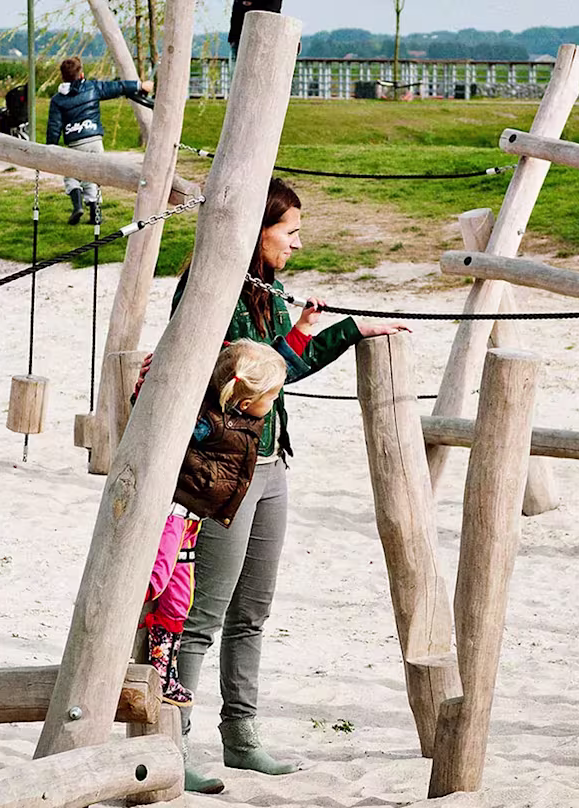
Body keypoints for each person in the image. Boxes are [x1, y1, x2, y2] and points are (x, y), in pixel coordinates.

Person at [171, 177, 408, 792]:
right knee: (204, 612)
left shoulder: (265, 288)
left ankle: (241, 737)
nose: (298, 245)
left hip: (272, 463)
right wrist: (298, 336)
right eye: (291, 232)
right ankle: (170, 741)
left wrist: (347, 330)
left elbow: (285, 369)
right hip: (227, 468)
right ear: (258, 232)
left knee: (253, 609)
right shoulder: (214, 289)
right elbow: (246, 377)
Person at [142, 340, 286, 713]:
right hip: (178, 513)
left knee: (179, 600)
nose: (274, 403)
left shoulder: (242, 417)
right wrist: (149, 386)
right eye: (271, 396)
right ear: (244, 402)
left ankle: (162, 665)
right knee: (155, 581)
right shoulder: (210, 424)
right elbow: (162, 417)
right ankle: (177, 739)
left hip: (195, 519)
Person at [45, 57, 152, 226]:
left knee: (71, 174)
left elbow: (54, 126)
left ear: (62, 77)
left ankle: (77, 205)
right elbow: (118, 87)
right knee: (93, 174)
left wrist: (50, 147)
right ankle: (95, 213)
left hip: (75, 143)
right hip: (94, 140)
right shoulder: (92, 87)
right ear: (82, 74)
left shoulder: (58, 100)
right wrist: (140, 86)